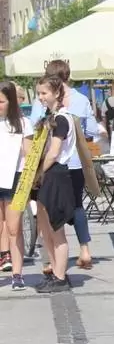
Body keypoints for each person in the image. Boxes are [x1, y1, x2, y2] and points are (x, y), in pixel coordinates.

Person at [30, 60, 97, 270]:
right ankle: (84, 249)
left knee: (49, 214)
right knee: (76, 205)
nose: (42, 96)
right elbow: (91, 130)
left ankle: (52, 262)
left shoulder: (44, 102)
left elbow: (35, 129)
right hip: (75, 162)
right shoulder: (82, 99)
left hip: (51, 166)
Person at [33, 76, 77, 293]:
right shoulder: (49, 117)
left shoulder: (62, 119)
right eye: (39, 93)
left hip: (56, 173)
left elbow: (54, 151)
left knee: (56, 229)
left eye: (44, 93)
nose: (41, 97)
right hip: (47, 175)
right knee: (45, 229)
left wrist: (39, 172)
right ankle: (53, 271)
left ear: (57, 93)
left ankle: (60, 277)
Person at [0, 82, 34, 290]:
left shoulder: (23, 123)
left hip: (15, 178)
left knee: (14, 229)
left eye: (1, 102)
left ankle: (17, 274)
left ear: (11, 101)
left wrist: (30, 182)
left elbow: (29, 155)